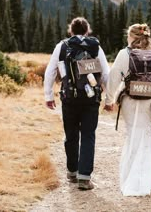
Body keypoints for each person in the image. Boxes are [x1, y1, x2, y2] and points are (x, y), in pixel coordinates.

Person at [105, 23, 151, 196]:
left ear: (132, 37)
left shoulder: (124, 54)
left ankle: (133, 179)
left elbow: (113, 78)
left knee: (133, 134)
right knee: (145, 133)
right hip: (148, 99)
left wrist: (109, 100)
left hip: (129, 99)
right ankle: (146, 178)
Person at [44, 17, 109, 190]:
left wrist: (48, 96)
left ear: (70, 31)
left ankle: (72, 171)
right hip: (90, 99)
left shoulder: (62, 46)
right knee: (88, 135)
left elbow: (50, 72)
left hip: (69, 98)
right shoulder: (95, 46)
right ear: (87, 31)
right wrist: (109, 99)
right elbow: (106, 74)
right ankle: (84, 178)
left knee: (71, 134)